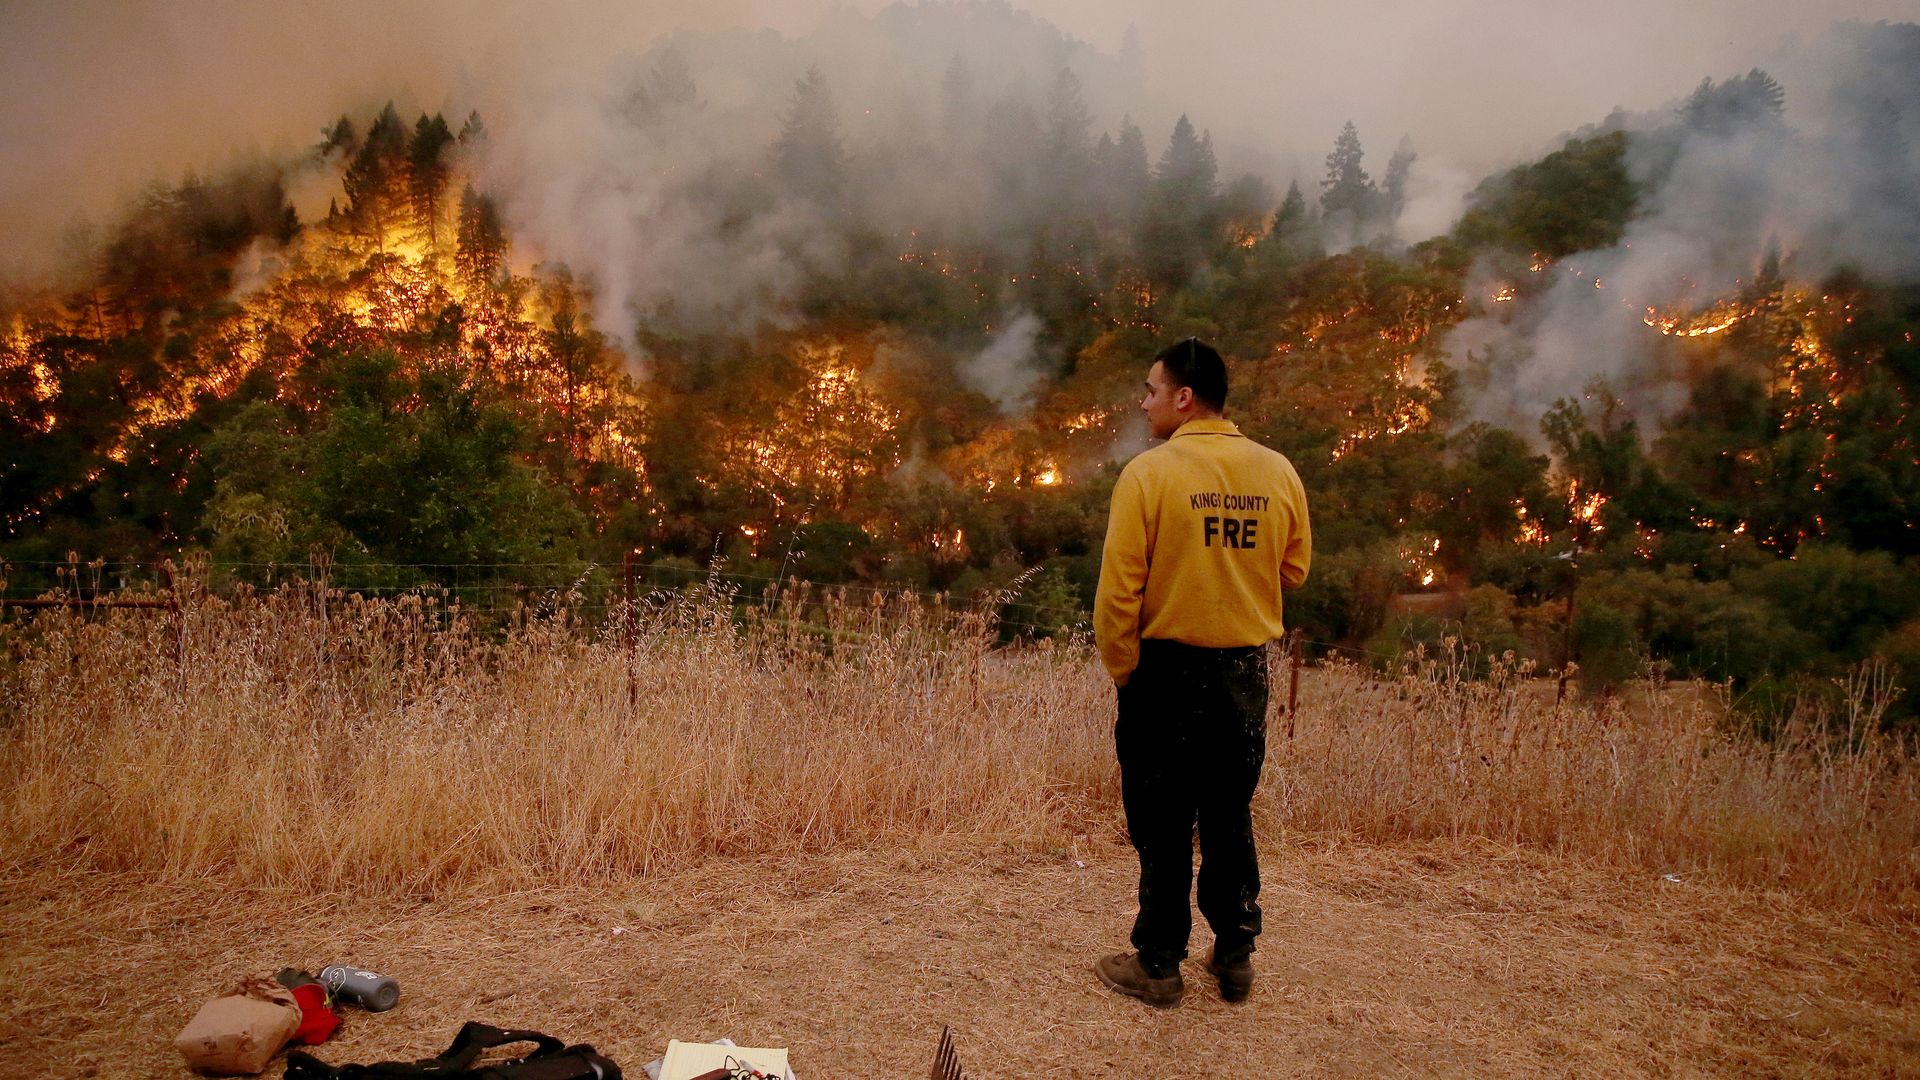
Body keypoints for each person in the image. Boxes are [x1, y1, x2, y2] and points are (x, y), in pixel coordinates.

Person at [1092, 338, 1311, 1008]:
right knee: (1226, 813)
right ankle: (1236, 954)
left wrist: (1127, 670)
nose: (1145, 401)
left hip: (1165, 671)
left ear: (1184, 398)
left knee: (1161, 822)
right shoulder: (1278, 473)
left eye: (1151, 390)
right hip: (1244, 673)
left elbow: (1117, 595)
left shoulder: (1150, 475)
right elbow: (1294, 569)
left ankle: (1158, 964)